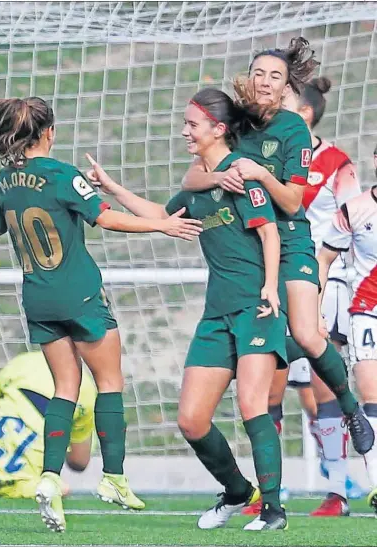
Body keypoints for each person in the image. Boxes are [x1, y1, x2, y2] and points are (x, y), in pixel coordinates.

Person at [0, 97, 202, 533]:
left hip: (38, 298)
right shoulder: (63, 175)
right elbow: (107, 219)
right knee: (110, 382)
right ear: (49, 133)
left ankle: (48, 477)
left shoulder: (3, 182)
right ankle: (114, 477)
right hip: (78, 293)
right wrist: (162, 224)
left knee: (66, 387)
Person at [86, 87, 290, 531]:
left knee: (252, 404)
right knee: (192, 420)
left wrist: (272, 288)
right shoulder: (199, 184)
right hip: (217, 313)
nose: (184, 131)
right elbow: (161, 214)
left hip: (257, 305)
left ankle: (274, 510)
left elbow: (271, 235)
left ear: (219, 129)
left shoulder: (242, 176)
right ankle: (238, 491)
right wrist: (111, 187)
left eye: (192, 124)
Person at [181, 38, 374, 465]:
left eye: (275, 76)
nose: (265, 82)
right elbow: (191, 179)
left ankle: (350, 410)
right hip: (252, 252)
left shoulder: (292, 130)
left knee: (307, 334)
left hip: (291, 245)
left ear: (287, 86)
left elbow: (290, 202)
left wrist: (257, 175)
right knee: (265, 379)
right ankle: (266, 495)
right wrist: (218, 179)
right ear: (249, 78)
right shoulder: (234, 122)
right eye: (259, 73)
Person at [244, 76, 365, 518]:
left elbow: (358, 221)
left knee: (321, 388)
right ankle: (268, 489)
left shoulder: (335, 162)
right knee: (269, 383)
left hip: (321, 281)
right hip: (271, 279)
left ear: (304, 113)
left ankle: (338, 490)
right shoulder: (265, 154)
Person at [318, 158, 377, 517]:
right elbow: (323, 259)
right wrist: (314, 308)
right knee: (371, 399)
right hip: (367, 311)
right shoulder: (354, 209)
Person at [0, 352, 95, 499]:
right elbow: (78, 462)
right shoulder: (87, 392)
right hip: (16, 482)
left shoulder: (25, 362)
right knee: (60, 488)